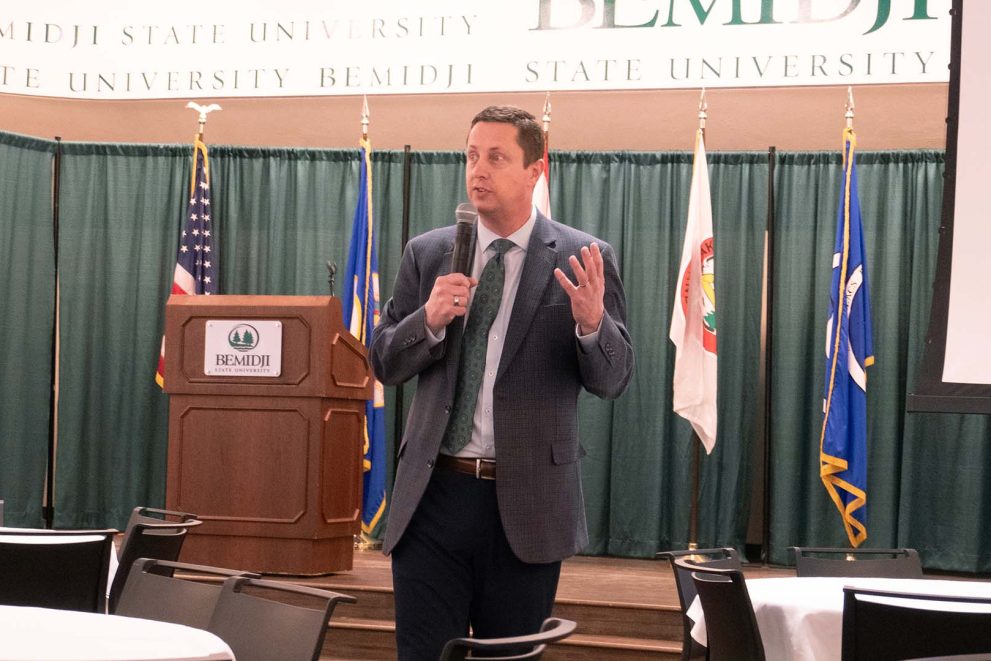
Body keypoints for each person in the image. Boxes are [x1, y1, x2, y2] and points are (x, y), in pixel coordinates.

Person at [370, 105, 634, 660]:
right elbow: (384, 363)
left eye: (496, 157)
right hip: (433, 499)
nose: (477, 171)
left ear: (535, 170)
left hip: (527, 504)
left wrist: (592, 323)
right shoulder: (428, 253)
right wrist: (429, 320)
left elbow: (613, 380)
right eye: (471, 156)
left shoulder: (583, 257)